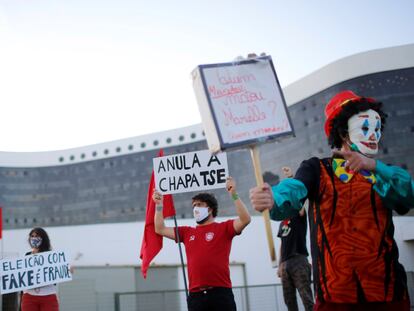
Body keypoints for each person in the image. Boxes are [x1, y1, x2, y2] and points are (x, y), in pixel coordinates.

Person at [250, 90, 413, 310]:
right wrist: (273, 198)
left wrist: (375, 167)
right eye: (364, 128)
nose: (373, 135)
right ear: (343, 132)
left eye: (376, 128)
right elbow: (294, 189)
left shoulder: (383, 175)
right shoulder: (316, 169)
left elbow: (408, 195)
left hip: (388, 296)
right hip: (335, 298)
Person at [153, 176, 251, 311]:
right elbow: (160, 228)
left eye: (199, 205)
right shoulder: (187, 232)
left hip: (221, 294)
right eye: (194, 206)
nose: (195, 209)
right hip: (196, 296)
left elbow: (245, 219)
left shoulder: (224, 228)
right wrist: (159, 206)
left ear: (210, 209)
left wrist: (233, 194)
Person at [276, 167, 313, 311]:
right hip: (285, 264)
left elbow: (300, 199)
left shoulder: (298, 215)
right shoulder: (282, 222)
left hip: (299, 260)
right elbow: (281, 244)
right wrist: (280, 265)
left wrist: (291, 178)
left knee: (306, 298)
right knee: (289, 301)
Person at [21, 227, 59, 311]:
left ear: (43, 239)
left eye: (37, 236)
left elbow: (57, 273)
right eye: (32, 236)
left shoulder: (51, 256)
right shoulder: (27, 256)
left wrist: (67, 269)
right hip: (29, 297)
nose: (34, 238)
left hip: (48, 296)